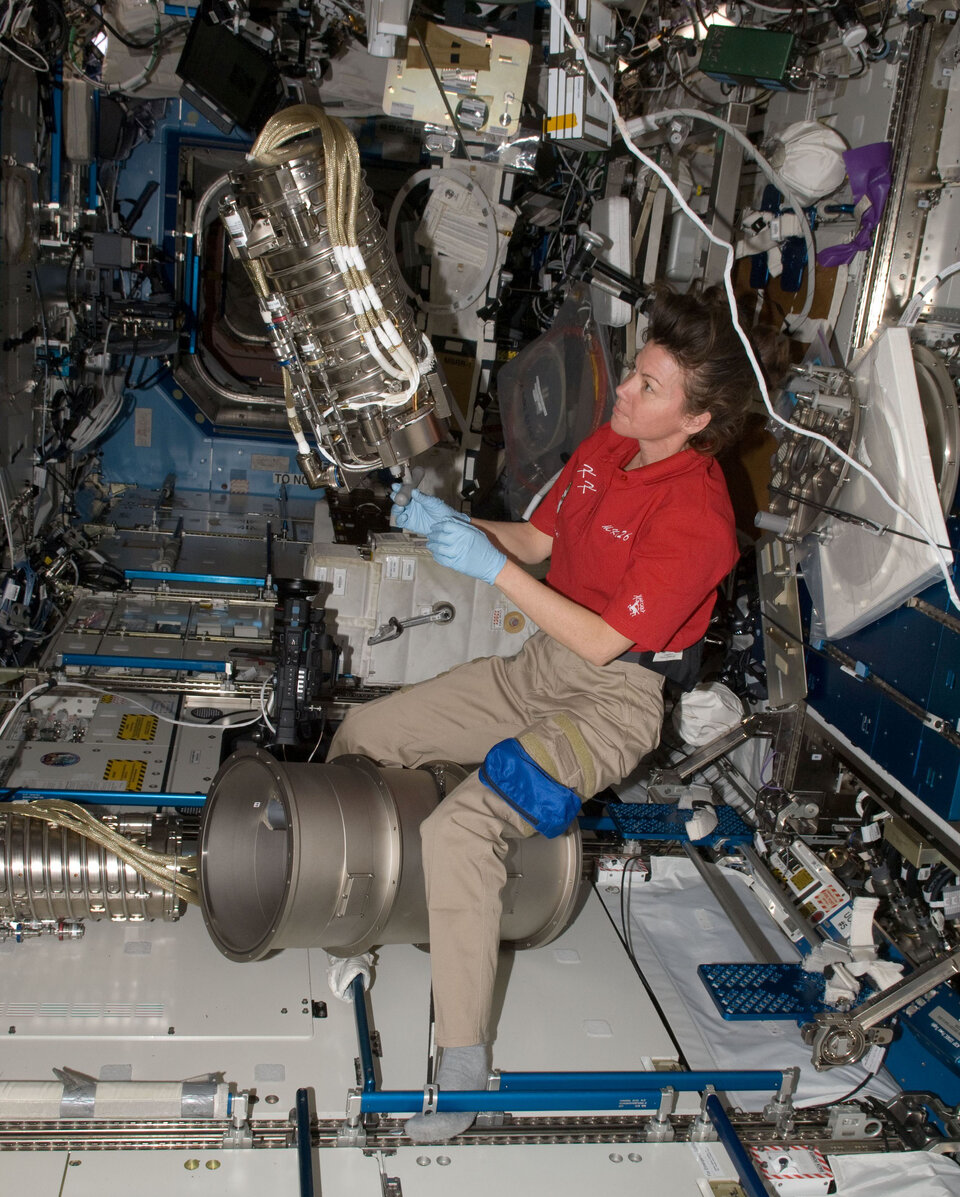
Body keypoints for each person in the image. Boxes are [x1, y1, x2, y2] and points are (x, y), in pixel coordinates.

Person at [327, 284, 779, 1141]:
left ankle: (463, 1061)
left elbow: (607, 643)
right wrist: (451, 527)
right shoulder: (611, 446)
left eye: (649, 387)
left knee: (464, 827)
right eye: (635, 373)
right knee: (365, 733)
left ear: (697, 418)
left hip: (610, 707)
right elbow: (540, 542)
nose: (625, 392)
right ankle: (354, 897)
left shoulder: (701, 516)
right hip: (535, 669)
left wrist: (488, 571)